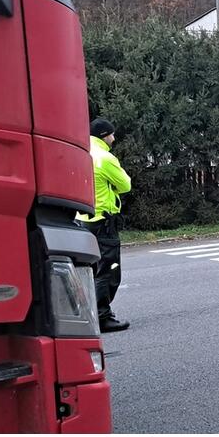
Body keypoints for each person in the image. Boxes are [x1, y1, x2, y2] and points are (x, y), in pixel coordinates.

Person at [76, 118, 132, 333]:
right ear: (103, 135)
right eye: (111, 134)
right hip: (103, 221)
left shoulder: (82, 153)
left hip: (84, 218)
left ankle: (88, 313)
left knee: (89, 269)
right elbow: (125, 185)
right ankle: (102, 317)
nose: (114, 138)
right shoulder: (105, 158)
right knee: (108, 270)